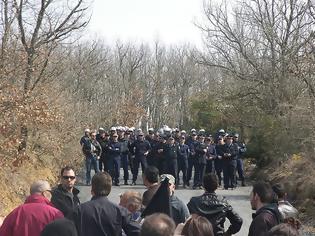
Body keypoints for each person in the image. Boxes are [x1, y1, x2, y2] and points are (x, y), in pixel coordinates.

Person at [73, 172, 140, 236]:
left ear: (92, 188)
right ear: (109, 189)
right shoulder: (120, 212)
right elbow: (138, 232)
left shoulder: (79, 210)